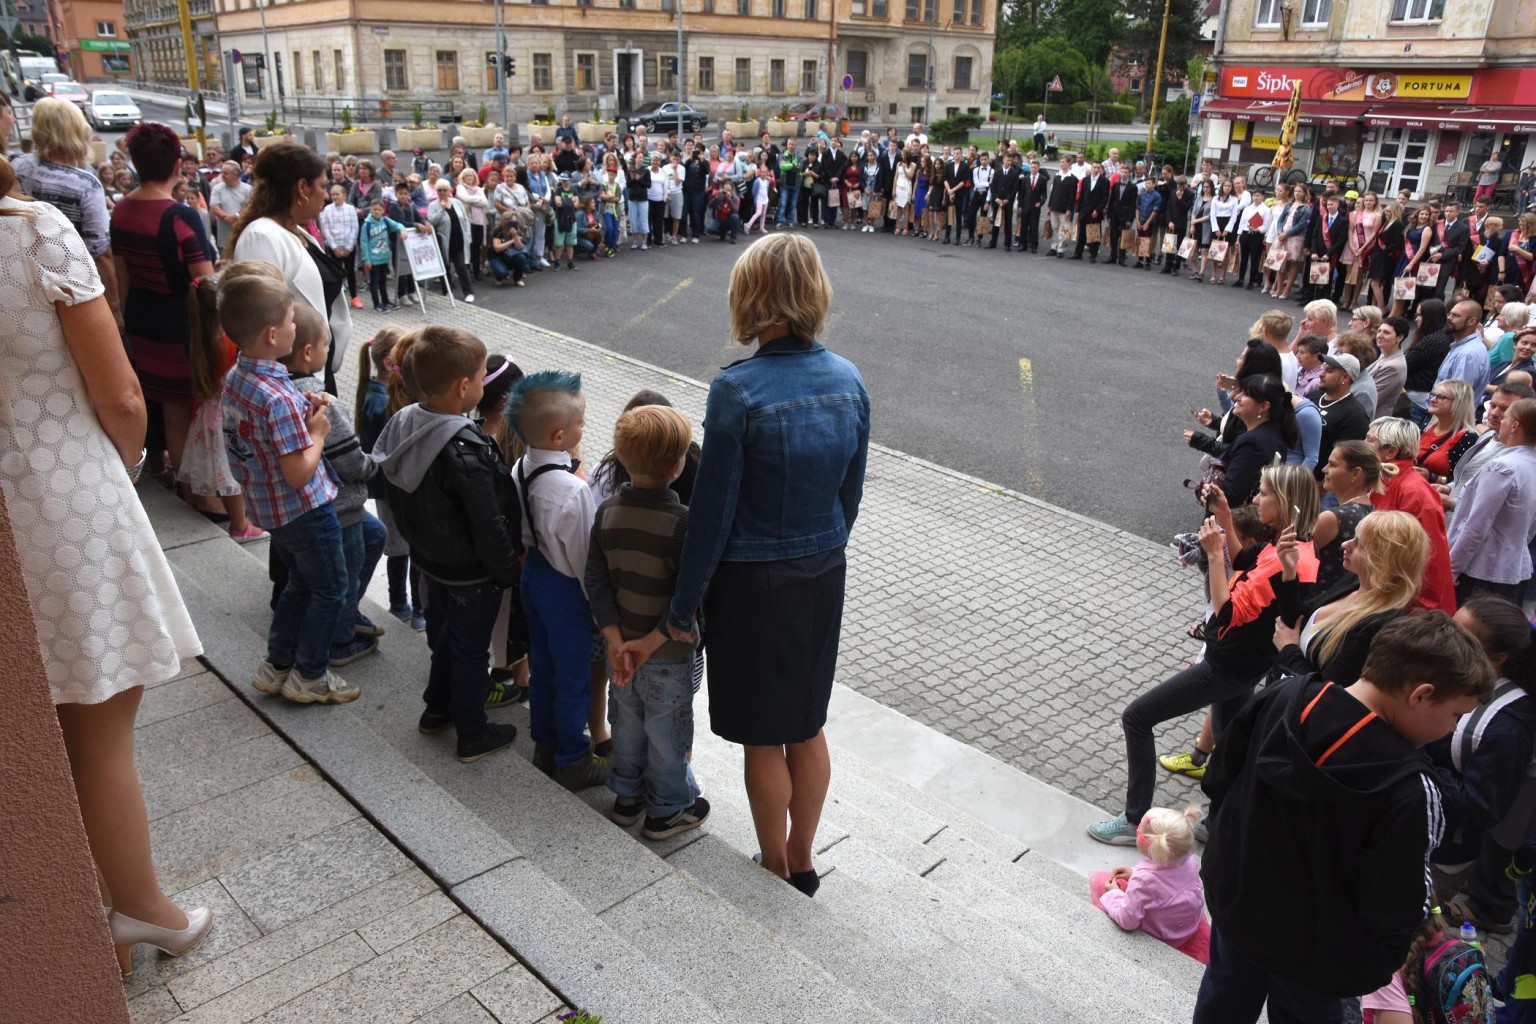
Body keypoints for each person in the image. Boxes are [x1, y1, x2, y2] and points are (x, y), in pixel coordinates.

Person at [0, 151, 211, 976]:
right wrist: (117, 468)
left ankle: (88, 896)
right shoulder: (34, 234)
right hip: (58, 498)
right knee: (96, 730)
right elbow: (120, 397)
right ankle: (139, 909)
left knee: (41, 725)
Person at [641, 233, 869, 896]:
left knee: (763, 738)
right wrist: (822, 544)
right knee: (808, 720)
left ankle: (772, 860)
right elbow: (849, 495)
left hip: (752, 583)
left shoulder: (736, 391)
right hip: (822, 570)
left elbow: (711, 516)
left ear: (751, 298)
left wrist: (683, 607)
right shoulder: (849, 379)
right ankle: (803, 858)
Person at [1193, 613, 1495, 1024]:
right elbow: (1396, 902)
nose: (1451, 730)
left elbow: (1220, 779)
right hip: (1320, 956)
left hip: (1239, 906)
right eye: (1456, 716)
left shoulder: (1284, 697)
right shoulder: (1409, 788)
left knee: (1223, 1000)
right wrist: (1375, 961)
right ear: (1421, 695)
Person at [1091, 464, 1321, 846]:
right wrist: (1226, 518)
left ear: (1283, 501)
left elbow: (1226, 609)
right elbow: (1247, 560)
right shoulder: (1288, 545)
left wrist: (1215, 556)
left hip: (1228, 664)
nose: (1256, 499)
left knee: (1137, 717)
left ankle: (1135, 821)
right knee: (1232, 744)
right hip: (1246, 664)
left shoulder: (1287, 557)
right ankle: (1221, 821)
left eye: (1263, 493)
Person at [373, 326, 522, 763]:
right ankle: (473, 732)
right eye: (479, 377)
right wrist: (507, 569)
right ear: (464, 387)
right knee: (471, 650)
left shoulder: (404, 422)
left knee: (445, 641)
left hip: (430, 562)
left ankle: (436, 709)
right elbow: (488, 519)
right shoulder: (466, 447)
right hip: (472, 572)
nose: (481, 383)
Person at [219, 272, 359, 705]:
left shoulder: (241, 378)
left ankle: (277, 663)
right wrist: (316, 430)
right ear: (273, 334)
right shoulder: (277, 397)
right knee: (331, 588)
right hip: (305, 509)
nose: (297, 327)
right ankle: (310, 676)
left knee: (300, 583)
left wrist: (306, 408)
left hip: (268, 508)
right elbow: (298, 471)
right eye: (292, 321)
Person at [585, 404, 711, 840]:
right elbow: (688, 594)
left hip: (620, 653)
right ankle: (668, 810)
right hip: (667, 655)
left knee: (628, 726)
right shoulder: (682, 523)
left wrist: (616, 639)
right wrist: (653, 641)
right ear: (678, 466)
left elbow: (595, 579)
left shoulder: (607, 514)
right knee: (667, 733)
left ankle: (627, 797)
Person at [508, 370, 607, 789]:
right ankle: (572, 757)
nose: (585, 427)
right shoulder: (572, 490)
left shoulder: (520, 466)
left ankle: (544, 742)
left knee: (544, 666)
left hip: (533, 575)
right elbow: (586, 562)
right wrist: (601, 613)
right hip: (566, 589)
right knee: (573, 677)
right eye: (582, 422)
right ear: (560, 435)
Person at [111, 123, 216, 482]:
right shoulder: (180, 216)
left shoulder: (121, 210)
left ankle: (167, 470)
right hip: (178, 325)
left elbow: (121, 275)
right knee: (179, 411)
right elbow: (205, 282)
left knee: (160, 400)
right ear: (176, 166)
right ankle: (193, 492)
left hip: (142, 318)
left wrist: (127, 319)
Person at [1429, 596, 1536, 935]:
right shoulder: (1465, 678)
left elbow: (1481, 806)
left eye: (1461, 636)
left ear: (1498, 659)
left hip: (1447, 850)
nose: (1445, 637)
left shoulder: (1508, 728)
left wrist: (1418, 767)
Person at [227, 142, 354, 395]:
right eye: (322, 186)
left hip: (313, 372)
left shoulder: (299, 232)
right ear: (302, 188)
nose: (327, 195)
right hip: (291, 385)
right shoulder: (261, 237)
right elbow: (260, 327)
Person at [181, 264, 269, 543]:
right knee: (232, 475)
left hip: (209, 413)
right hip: (227, 417)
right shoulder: (229, 343)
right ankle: (241, 525)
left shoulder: (201, 339)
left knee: (220, 471)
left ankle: (235, 519)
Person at [13, 98, 122, 322]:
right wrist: (114, 308)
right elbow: (101, 253)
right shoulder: (85, 184)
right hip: (73, 287)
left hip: (24, 278)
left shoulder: (17, 165)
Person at [1090, 807, 1210, 963]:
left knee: (1104, 886)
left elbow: (1128, 921)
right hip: (1187, 927)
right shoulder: (1189, 860)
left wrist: (1114, 893)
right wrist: (1133, 873)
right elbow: (1166, 883)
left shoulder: (1143, 881)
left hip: (1162, 935)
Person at [1447, 398, 1536, 603]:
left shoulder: (1502, 467)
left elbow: (1475, 527)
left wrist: (1451, 569)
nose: (1499, 421)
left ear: (1515, 426)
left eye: (1505, 417)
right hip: (1512, 570)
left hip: (1481, 573)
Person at [1367, 417, 1457, 612]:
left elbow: (1427, 559)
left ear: (1390, 452)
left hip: (1412, 605)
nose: (1363, 445)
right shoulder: (1386, 478)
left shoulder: (1415, 493)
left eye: (1370, 440)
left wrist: (1418, 608)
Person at [1401, 298, 1452, 427]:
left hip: (1417, 398)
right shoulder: (1439, 336)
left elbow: (1406, 365)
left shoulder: (1433, 340)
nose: (1416, 319)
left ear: (1430, 317)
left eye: (1420, 315)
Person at [1416, 379, 1477, 485]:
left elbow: (1465, 482)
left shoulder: (1468, 438)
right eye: (1433, 395)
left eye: (1440, 397)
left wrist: (1433, 477)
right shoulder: (1426, 426)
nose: (1433, 400)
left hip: (1436, 496)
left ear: (1458, 403)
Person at [428, 179, 476, 302]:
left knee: (462, 267)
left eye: (445, 190)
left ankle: (468, 292)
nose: (443, 192)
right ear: (436, 192)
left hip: (459, 240)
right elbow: (432, 221)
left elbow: (465, 219)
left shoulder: (457, 202)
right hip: (444, 242)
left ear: (449, 191)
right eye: (440, 190)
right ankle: (446, 291)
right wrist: (441, 210)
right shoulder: (433, 205)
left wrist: (468, 236)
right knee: (445, 267)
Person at [357, 198, 409, 313]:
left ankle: (386, 301)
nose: (377, 211)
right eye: (374, 209)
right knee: (374, 283)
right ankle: (377, 304)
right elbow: (364, 243)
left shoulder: (385, 220)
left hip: (384, 258)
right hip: (373, 259)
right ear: (370, 210)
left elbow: (398, 225)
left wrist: (402, 230)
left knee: (383, 281)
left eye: (379, 209)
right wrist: (366, 260)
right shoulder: (367, 225)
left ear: (383, 211)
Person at [1369, 315, 1410, 418]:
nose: (1379, 335)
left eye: (1386, 332)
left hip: (1373, 419)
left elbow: (1372, 398)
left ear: (1400, 337)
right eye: (1379, 331)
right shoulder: (1384, 356)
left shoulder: (1394, 367)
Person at [208, 160, 251, 250]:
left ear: (235, 175)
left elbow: (249, 208)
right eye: (221, 172)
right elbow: (215, 207)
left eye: (225, 173)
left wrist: (237, 216)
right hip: (224, 237)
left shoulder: (248, 189)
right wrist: (226, 217)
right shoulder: (218, 188)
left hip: (242, 233)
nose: (222, 176)